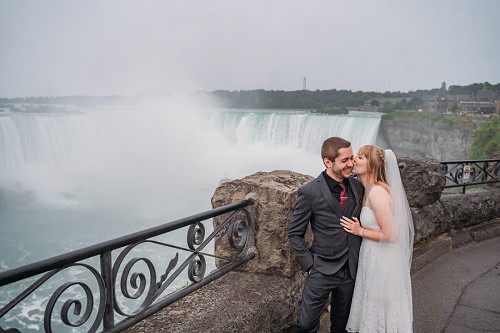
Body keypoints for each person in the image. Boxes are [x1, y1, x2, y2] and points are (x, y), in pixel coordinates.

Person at [288, 137, 365, 333]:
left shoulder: (357, 186)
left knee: (342, 326)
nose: (351, 163)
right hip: (321, 269)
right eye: (345, 160)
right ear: (328, 162)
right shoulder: (309, 192)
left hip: (351, 270)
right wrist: (311, 265)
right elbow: (295, 233)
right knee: (306, 325)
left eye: (352, 158)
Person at [340, 145, 414, 332]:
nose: (354, 160)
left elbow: (391, 235)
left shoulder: (377, 193)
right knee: (374, 310)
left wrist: (360, 231)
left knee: (381, 309)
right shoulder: (368, 190)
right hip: (373, 256)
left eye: (360, 158)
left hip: (383, 259)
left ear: (372, 166)